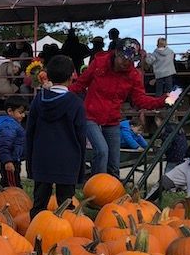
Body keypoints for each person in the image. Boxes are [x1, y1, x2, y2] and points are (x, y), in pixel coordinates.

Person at [70, 38, 168, 177]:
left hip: (112, 119)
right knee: (102, 151)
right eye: (123, 57)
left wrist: (162, 101)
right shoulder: (99, 63)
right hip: (90, 115)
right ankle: (97, 187)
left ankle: (113, 192)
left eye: (131, 60)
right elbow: (80, 84)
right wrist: (60, 91)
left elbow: (140, 100)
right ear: (116, 52)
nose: (126, 62)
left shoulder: (134, 75)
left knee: (114, 164)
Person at [25, 54, 86, 219]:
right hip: (67, 160)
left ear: (48, 75)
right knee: (66, 205)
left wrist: (30, 163)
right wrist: (80, 170)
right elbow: (81, 136)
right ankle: (67, 238)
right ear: (71, 77)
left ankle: (36, 235)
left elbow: (29, 132)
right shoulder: (75, 103)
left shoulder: (39, 100)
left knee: (39, 204)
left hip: (42, 158)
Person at [0, 97, 26, 188]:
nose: (23, 115)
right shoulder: (8, 126)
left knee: (9, 183)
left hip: (14, 160)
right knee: (13, 187)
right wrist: (8, 161)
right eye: (20, 112)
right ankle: (10, 202)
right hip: (10, 162)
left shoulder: (12, 124)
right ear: (10, 111)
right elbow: (4, 146)